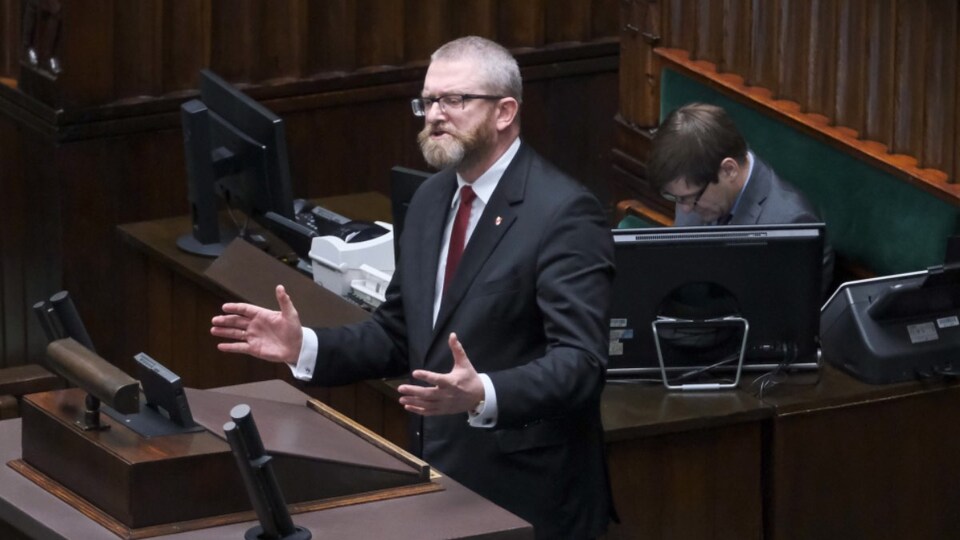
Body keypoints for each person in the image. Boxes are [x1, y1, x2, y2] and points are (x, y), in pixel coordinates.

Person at [211, 36, 615, 539]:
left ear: (505, 112)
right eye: (427, 101)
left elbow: (581, 363)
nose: (435, 115)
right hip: (441, 478)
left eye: (455, 100)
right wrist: (305, 346)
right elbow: (399, 332)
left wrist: (483, 393)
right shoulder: (430, 199)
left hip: (530, 497)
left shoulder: (563, 213)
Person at [648, 102, 834, 290]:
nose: (685, 209)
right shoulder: (691, 189)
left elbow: (785, 306)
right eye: (678, 198)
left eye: (691, 198)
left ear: (729, 170)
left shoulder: (791, 226)